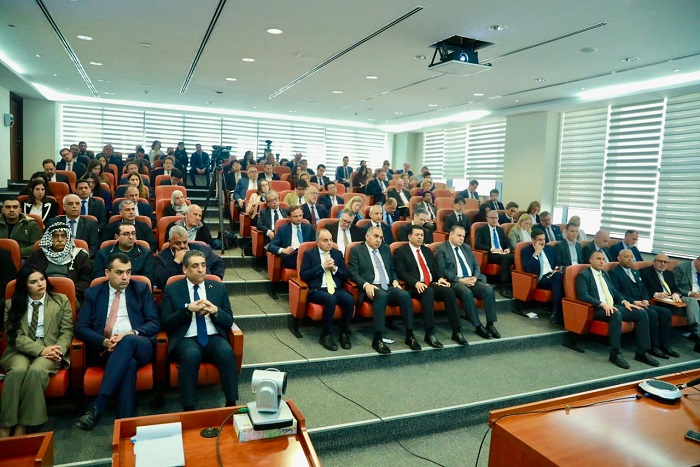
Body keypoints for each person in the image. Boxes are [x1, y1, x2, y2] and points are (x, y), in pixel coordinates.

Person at [74, 252, 160, 429]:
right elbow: (81, 328)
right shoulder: (93, 293)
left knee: (127, 341)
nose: (125, 277)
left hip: (139, 344)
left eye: (128, 272)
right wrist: (103, 342)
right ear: (107, 273)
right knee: (129, 365)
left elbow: (154, 322)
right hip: (108, 349)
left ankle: (99, 404)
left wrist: (131, 333)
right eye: (120, 272)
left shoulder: (140, 289)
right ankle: (125, 424)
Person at [160, 250, 238, 411]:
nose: (201, 270)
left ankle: (231, 403)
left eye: (203, 265)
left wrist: (215, 310)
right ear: (185, 269)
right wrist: (187, 310)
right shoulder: (172, 289)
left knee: (226, 352)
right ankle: (189, 407)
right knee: (191, 355)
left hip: (213, 336)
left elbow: (229, 321)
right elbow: (166, 323)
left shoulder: (218, 288)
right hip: (186, 338)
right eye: (195, 266)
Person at [0, 266, 73, 437]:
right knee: (17, 371)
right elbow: (14, 336)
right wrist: (41, 350)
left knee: (36, 371)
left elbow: (67, 331)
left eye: (42, 279)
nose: (41, 284)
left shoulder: (60, 300)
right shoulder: (12, 305)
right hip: (20, 349)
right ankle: (6, 424)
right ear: (25, 286)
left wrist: (57, 350)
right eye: (33, 282)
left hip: (52, 348)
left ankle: (22, 424)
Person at [575, 251, 657, 369]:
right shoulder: (584, 275)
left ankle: (642, 352)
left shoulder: (604, 273)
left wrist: (625, 302)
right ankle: (615, 353)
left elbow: (614, 291)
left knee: (641, 313)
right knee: (616, 314)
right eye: (598, 259)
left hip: (613, 305)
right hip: (596, 308)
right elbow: (583, 295)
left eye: (603, 259)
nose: (602, 261)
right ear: (590, 260)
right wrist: (602, 304)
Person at [348, 226, 419, 354]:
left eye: (381, 237)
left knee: (404, 295)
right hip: (371, 287)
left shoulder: (385, 249)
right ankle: (377, 338)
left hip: (388, 285)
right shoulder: (356, 250)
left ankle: (410, 334)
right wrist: (366, 285)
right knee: (382, 295)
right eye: (376, 236)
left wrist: (395, 280)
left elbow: (391, 269)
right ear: (367, 236)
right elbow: (354, 274)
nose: (379, 240)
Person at [393, 225, 463, 348]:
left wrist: (440, 278)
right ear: (409, 236)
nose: (420, 237)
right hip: (414, 286)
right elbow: (401, 272)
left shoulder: (426, 250)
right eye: (417, 235)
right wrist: (415, 283)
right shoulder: (401, 251)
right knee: (428, 292)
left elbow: (435, 268)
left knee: (449, 291)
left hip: (430, 283)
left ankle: (456, 331)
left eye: (421, 235)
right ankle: (429, 332)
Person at [610, 250, 678, 359]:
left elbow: (644, 288)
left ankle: (664, 344)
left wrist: (646, 299)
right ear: (619, 258)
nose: (630, 259)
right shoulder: (614, 272)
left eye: (631, 257)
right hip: (629, 304)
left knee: (665, 312)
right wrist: (633, 301)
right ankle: (653, 346)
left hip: (642, 302)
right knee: (652, 314)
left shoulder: (635, 272)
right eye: (626, 257)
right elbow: (616, 292)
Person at [435, 226, 496, 341]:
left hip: (471, 279)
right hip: (454, 281)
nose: (462, 238)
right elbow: (442, 270)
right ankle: (478, 326)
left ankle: (490, 324)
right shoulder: (441, 249)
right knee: (466, 293)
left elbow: (476, 265)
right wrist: (459, 280)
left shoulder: (466, 247)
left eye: (463, 236)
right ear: (451, 234)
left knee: (488, 290)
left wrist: (475, 277)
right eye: (459, 235)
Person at [299, 229, 355, 351]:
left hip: (335, 288)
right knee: (331, 299)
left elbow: (346, 275)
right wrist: (322, 267)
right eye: (325, 240)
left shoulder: (337, 254)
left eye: (331, 240)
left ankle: (344, 332)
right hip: (317, 289)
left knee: (349, 299)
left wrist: (335, 269)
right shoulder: (309, 254)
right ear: (317, 242)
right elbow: (304, 275)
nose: (329, 243)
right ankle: (326, 335)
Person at [26, 223, 92, 304]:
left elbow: (86, 281)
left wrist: (67, 291)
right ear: (50, 238)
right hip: (41, 294)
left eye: (63, 236)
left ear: (68, 238)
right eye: (55, 236)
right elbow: (26, 276)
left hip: (70, 296)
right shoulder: (37, 255)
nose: (60, 240)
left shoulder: (79, 256)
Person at [641, 254, 700, 343]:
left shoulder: (668, 274)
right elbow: (643, 289)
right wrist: (656, 294)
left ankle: (696, 330)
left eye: (665, 262)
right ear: (654, 262)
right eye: (660, 261)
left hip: (673, 298)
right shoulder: (644, 272)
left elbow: (675, 288)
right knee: (691, 309)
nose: (663, 264)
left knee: (692, 300)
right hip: (659, 300)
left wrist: (676, 293)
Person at [154, 226, 225, 290]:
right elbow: (160, 282)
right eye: (178, 243)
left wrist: (214, 279)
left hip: (205, 289)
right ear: (170, 242)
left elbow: (219, 263)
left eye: (185, 242)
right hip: (178, 292)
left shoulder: (202, 249)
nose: (182, 246)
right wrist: (176, 262)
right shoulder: (161, 258)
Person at [521, 229, 564, 324]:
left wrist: (557, 268)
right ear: (533, 240)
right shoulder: (526, 251)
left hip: (553, 275)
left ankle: (559, 311)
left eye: (544, 239)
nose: (543, 242)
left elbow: (558, 263)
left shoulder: (550, 249)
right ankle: (557, 310)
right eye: (540, 240)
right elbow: (528, 269)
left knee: (561, 277)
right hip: (541, 279)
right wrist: (536, 253)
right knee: (559, 278)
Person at [474, 210, 514, 296]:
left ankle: (511, 284)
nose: (494, 220)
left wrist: (508, 249)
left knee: (512, 257)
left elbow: (507, 242)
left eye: (496, 218)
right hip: (490, 255)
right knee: (507, 258)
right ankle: (503, 285)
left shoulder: (500, 230)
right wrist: (492, 249)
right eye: (492, 218)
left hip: (502, 254)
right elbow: (477, 245)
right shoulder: (482, 230)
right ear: (487, 219)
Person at [268, 205, 316, 269]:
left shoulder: (309, 228)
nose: (299, 218)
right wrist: (283, 250)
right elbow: (270, 246)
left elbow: (315, 244)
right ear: (289, 218)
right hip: (292, 256)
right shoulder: (283, 229)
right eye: (295, 216)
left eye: (300, 215)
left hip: (307, 255)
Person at [672, 255, 700, 341]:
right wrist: (690, 293)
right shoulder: (681, 268)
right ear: (698, 261)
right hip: (683, 296)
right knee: (692, 300)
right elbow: (673, 286)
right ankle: (696, 331)